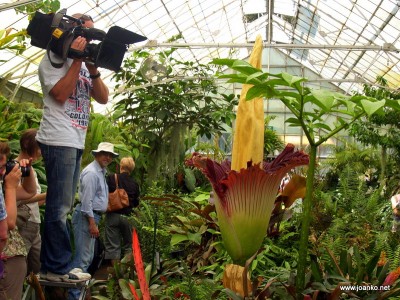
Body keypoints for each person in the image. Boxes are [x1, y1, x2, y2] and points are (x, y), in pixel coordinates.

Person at [36, 13, 109, 281]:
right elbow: (60, 94)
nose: (88, 40)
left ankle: (54, 264)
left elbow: (102, 97)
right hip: (58, 138)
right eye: (84, 34)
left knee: (63, 204)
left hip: (74, 139)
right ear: (70, 32)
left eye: (91, 35)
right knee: (59, 207)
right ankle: (57, 267)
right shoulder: (54, 59)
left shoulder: (84, 66)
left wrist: (93, 67)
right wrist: (77, 59)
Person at [0, 141, 37, 300]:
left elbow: (29, 192)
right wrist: (10, 187)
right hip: (7, 258)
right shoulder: (5, 186)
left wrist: (28, 170)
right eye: (1, 166)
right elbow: (8, 225)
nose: (3, 171)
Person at [16, 128, 46, 276]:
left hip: (34, 223)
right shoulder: (17, 166)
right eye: (39, 146)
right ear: (28, 143)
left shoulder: (30, 167)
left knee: (35, 268)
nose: (41, 151)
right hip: (24, 223)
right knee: (19, 266)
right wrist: (47, 194)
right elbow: (19, 199)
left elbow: (33, 201)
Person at [105, 156, 140, 265]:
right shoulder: (134, 184)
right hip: (128, 217)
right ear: (131, 169)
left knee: (113, 247)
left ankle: (116, 275)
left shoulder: (110, 178)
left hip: (112, 215)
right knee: (128, 246)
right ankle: (125, 275)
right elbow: (136, 203)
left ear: (120, 166)